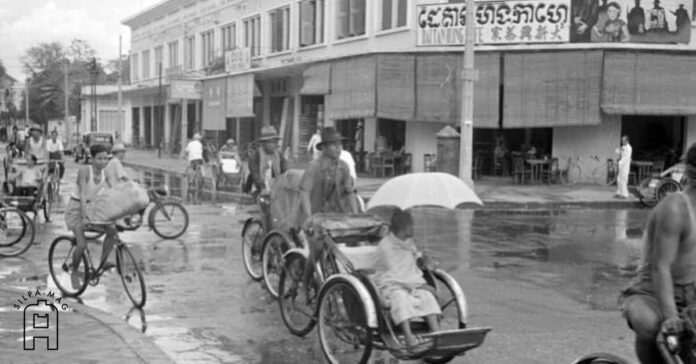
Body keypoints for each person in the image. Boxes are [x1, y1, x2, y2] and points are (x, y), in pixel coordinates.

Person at [619, 143, 696, 364]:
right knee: (653, 328)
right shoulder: (676, 208)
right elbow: (660, 268)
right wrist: (671, 317)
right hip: (651, 292)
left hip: (691, 294)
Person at [300, 127, 359, 301]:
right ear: (324, 148)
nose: (338, 148)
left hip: (336, 216)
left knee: (352, 245)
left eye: (339, 144)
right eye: (333, 145)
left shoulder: (344, 166)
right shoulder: (314, 167)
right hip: (315, 215)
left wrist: (356, 216)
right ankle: (305, 284)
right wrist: (309, 218)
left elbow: (350, 193)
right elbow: (304, 193)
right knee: (317, 250)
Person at [372, 209, 441, 350]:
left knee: (426, 296)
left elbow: (413, 263)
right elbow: (397, 274)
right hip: (391, 286)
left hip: (410, 284)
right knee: (400, 297)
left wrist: (423, 260)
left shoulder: (408, 242)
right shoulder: (386, 247)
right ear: (403, 228)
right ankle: (409, 337)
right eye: (412, 225)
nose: (414, 228)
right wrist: (420, 284)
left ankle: (437, 333)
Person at [64, 144, 118, 289]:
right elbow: (82, 194)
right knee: (81, 244)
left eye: (106, 158)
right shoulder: (84, 171)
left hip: (92, 208)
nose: (103, 161)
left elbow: (115, 190)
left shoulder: (106, 173)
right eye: (99, 158)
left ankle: (103, 261)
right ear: (92, 158)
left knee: (112, 232)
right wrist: (84, 215)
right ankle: (74, 272)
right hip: (76, 209)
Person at [248, 126, 288, 229]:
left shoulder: (278, 155)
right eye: (270, 142)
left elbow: (285, 171)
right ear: (263, 143)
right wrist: (263, 188)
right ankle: (267, 234)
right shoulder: (255, 156)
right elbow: (255, 174)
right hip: (260, 189)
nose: (273, 145)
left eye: (275, 142)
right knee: (267, 214)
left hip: (276, 188)